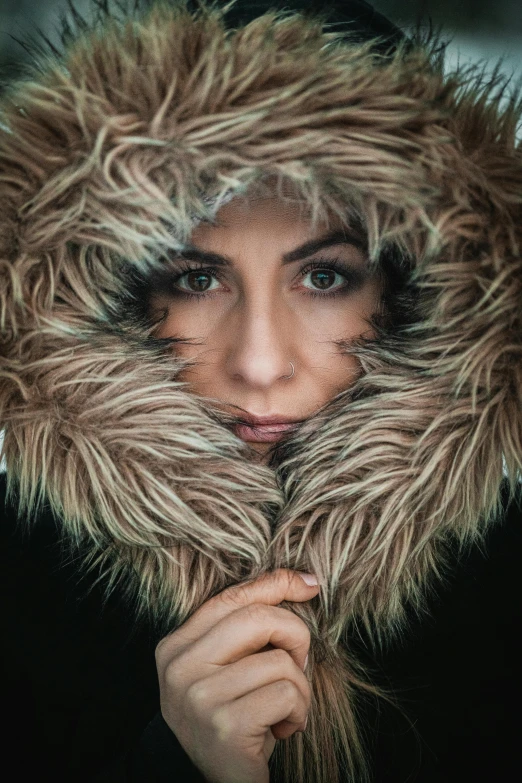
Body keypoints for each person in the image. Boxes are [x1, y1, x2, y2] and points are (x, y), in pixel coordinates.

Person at [0, 1, 520, 781]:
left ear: (418, 295)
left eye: (323, 276)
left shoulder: (508, 589)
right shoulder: (18, 589)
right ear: (117, 294)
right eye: (198, 278)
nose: (260, 363)